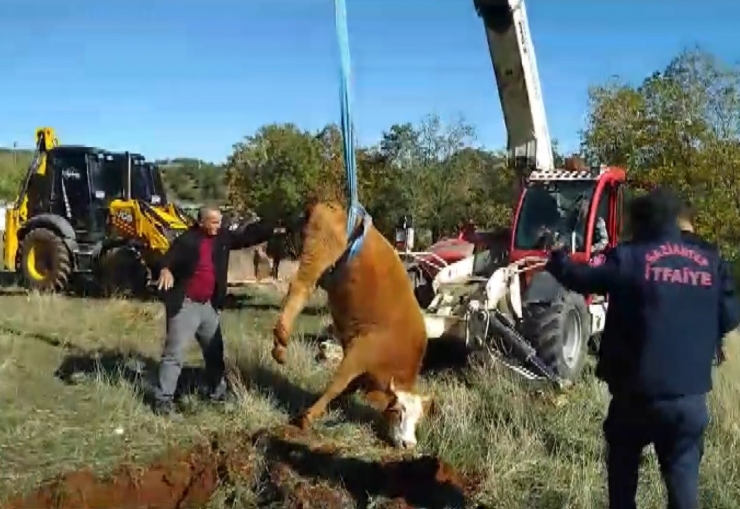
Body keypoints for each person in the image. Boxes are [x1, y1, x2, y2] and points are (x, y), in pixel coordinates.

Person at [545, 187, 740, 509]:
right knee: (683, 488)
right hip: (688, 400)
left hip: (634, 397)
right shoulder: (710, 261)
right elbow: (730, 315)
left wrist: (557, 259)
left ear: (643, 221)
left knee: (623, 478)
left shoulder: (630, 256)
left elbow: (583, 278)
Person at [153, 205, 286, 416]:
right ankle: (163, 401)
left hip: (208, 306)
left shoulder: (222, 238)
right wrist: (166, 269)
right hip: (185, 306)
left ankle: (217, 393)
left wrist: (272, 228)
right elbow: (167, 258)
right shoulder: (187, 240)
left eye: (219, 222)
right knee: (174, 354)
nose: (218, 226)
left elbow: (246, 237)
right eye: (213, 222)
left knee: (214, 353)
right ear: (201, 222)